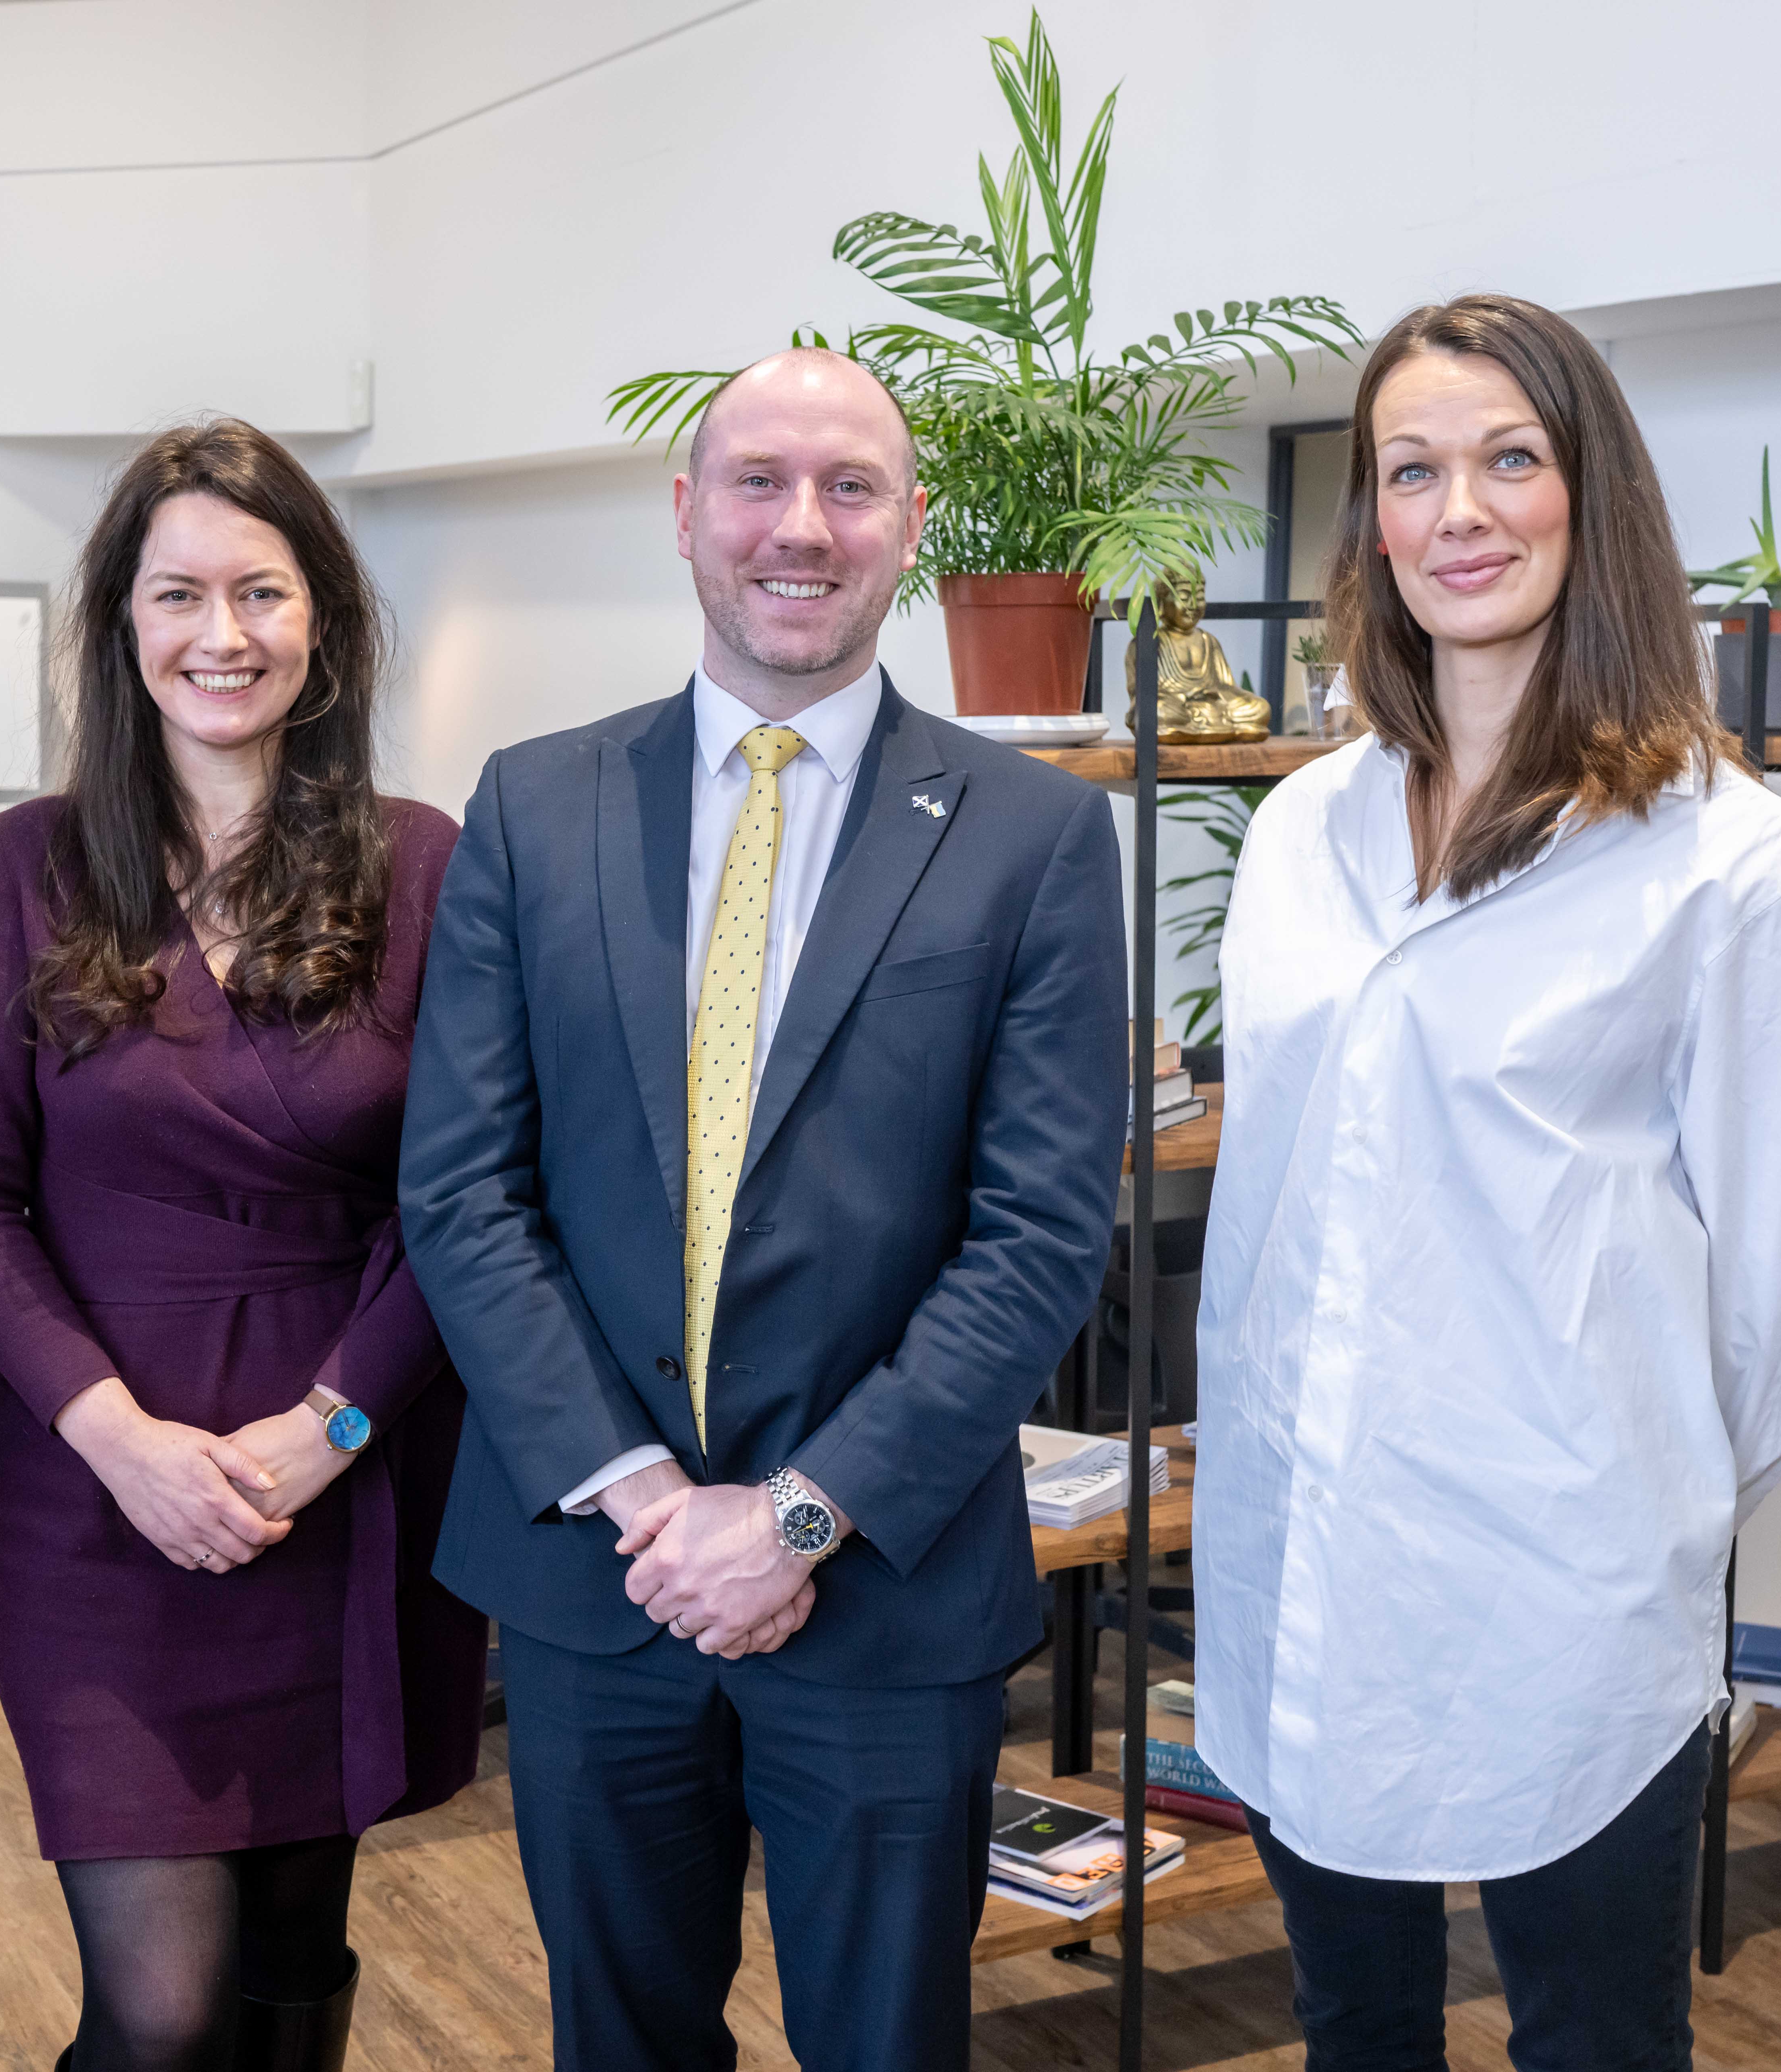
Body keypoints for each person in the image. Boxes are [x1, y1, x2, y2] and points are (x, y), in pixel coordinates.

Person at [398, 347, 1128, 2068]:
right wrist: (657, 1506)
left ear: (911, 530)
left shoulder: (1030, 836)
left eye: (850, 488)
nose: (800, 528)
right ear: (684, 514)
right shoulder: (535, 803)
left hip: (886, 1592)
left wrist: (795, 1519)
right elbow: (464, 1189)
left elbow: (1037, 1238)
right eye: (758, 483)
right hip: (601, 1581)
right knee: (623, 2041)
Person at [1194, 294, 1781, 2068]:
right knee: (1354, 2027)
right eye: (1411, 471)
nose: (1460, 512)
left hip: (1562, 1597)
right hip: (1306, 1563)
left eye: (1511, 458)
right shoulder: (1302, 831)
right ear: (1372, 525)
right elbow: (1279, 1208)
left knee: (1588, 2045)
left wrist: (1600, 1484)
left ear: (1595, 499)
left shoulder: (1741, 873)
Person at [0, 419, 480, 2072]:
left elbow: (456, 1198)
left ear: (323, 621)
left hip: (343, 1473)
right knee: (156, 2012)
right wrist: (121, 1446)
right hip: (97, 1497)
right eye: (177, 594)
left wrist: (330, 1433)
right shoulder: (31, 864)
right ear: (121, 624)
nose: (218, 634)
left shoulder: (421, 861)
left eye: (259, 590)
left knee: (297, 1956)